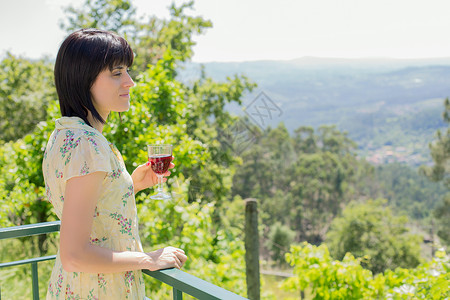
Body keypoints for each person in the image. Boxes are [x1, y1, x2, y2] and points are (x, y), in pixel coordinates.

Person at [42, 28, 187, 299]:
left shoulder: (64, 133)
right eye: (117, 73)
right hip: (98, 290)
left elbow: (88, 212)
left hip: (72, 288)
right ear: (84, 81)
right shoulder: (89, 144)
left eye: (127, 71)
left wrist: (130, 185)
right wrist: (148, 259)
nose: (130, 82)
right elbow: (74, 254)